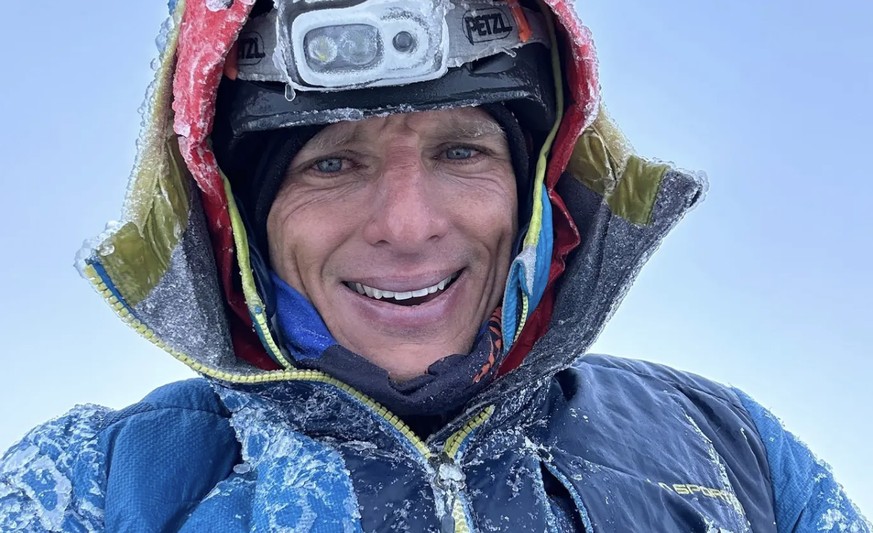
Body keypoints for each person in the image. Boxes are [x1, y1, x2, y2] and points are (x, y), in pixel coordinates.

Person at [0, 0, 868, 531]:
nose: (408, 226)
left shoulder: (728, 454)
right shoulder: (91, 490)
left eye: (461, 151)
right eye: (331, 163)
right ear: (239, 219)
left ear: (537, 189)